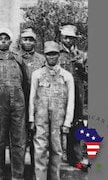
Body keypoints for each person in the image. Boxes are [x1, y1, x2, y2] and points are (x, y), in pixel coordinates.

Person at [0, 28, 28, 180]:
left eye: (6, 38)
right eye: (0, 38)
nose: (3, 40)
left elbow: (25, 84)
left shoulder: (19, 60)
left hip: (18, 106)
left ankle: (18, 175)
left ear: (10, 41)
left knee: (18, 140)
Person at [29, 41, 75, 180]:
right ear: (44, 55)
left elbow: (71, 100)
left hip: (58, 119)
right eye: (49, 54)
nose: (52, 57)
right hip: (40, 118)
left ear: (59, 55)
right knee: (40, 150)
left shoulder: (67, 76)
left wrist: (68, 122)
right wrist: (31, 118)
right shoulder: (37, 75)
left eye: (54, 54)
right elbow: (32, 97)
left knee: (57, 150)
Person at [58, 25, 88, 168]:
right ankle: (57, 156)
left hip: (77, 94)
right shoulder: (56, 53)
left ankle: (75, 157)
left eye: (71, 37)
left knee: (76, 124)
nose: (68, 40)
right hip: (60, 94)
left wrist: (82, 67)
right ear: (61, 38)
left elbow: (88, 77)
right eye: (66, 37)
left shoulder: (81, 55)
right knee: (58, 124)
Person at [15, 28, 46, 168]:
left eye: (30, 39)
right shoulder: (15, 57)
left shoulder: (41, 59)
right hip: (18, 102)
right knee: (19, 135)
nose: (27, 42)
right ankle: (18, 170)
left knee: (36, 134)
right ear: (20, 41)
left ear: (35, 42)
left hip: (37, 102)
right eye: (25, 39)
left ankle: (36, 168)